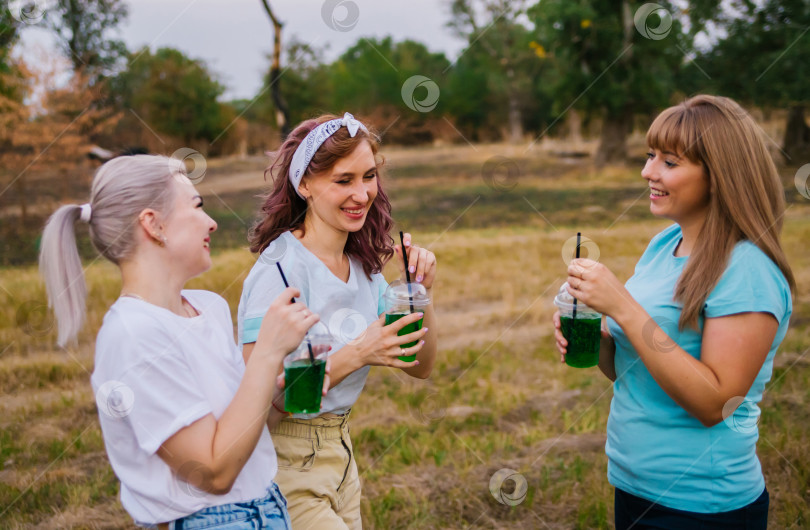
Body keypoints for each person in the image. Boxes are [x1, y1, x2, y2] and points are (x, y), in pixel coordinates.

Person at [39, 154, 328, 529]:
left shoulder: (208, 308)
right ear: (153, 224)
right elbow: (213, 473)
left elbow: (235, 440)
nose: (212, 222)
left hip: (269, 507)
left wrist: (280, 401)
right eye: (197, 206)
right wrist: (268, 352)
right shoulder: (133, 335)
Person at [553, 95, 794, 529]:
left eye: (670, 162)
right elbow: (639, 369)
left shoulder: (748, 270)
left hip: (701, 504)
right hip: (633, 485)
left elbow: (716, 404)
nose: (648, 172)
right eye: (650, 156)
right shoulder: (665, 244)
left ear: (719, 175)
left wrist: (623, 309)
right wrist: (601, 340)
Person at [238, 112, 439, 529]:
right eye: (343, 180)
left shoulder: (363, 267)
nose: (362, 194)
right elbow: (259, 407)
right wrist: (359, 352)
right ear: (305, 185)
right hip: (287, 461)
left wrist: (420, 293)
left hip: (341, 453)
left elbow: (420, 365)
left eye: (368, 176)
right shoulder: (279, 271)